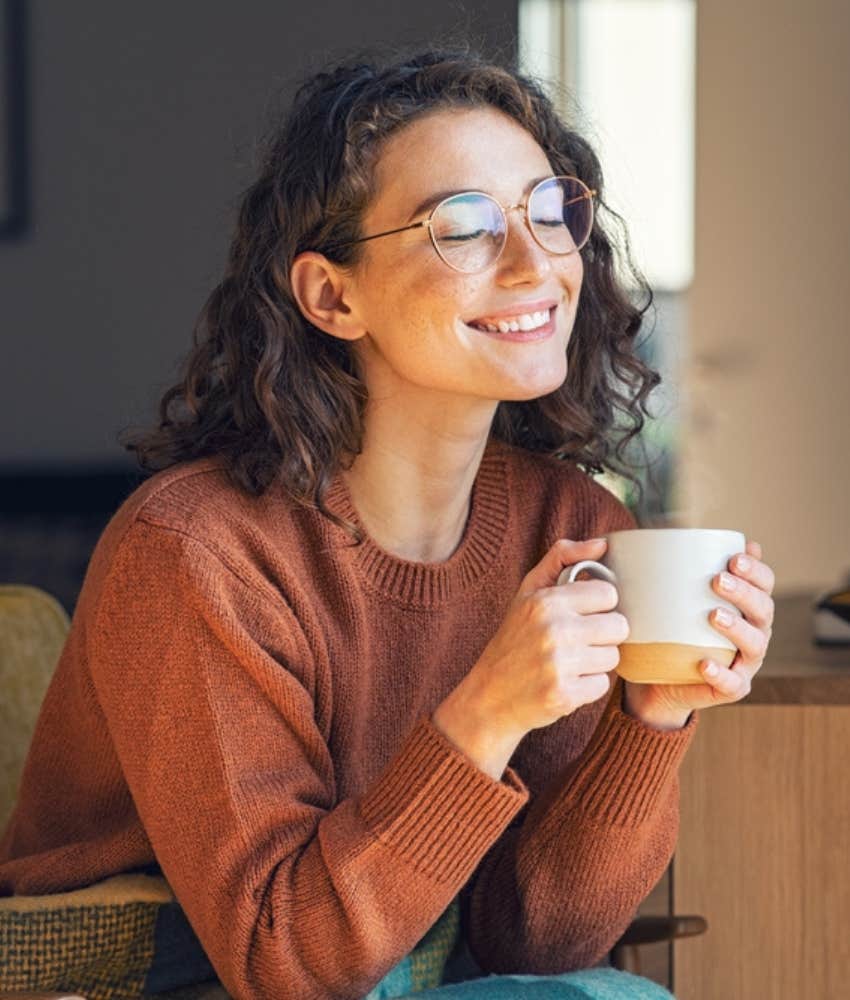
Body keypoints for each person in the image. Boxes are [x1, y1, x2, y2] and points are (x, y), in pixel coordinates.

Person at [0, 48, 775, 999]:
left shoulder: (572, 525)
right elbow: (281, 963)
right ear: (333, 295)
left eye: (549, 211)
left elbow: (534, 945)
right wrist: (485, 712)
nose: (537, 263)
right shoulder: (199, 552)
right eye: (465, 227)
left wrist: (651, 718)